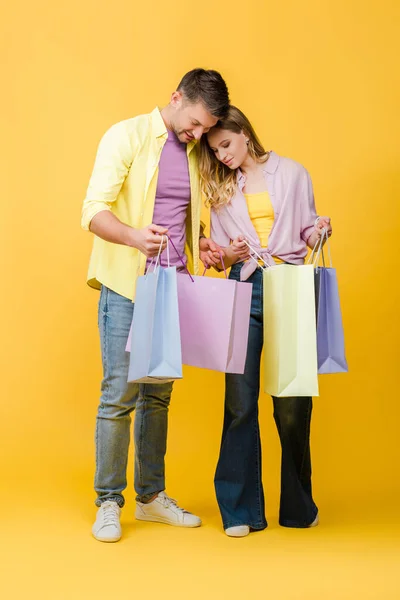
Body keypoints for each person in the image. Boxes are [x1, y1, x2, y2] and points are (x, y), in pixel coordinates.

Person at [81, 68, 229, 542]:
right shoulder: (125, 136)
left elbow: (179, 213)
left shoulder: (190, 152)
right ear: (176, 97)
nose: (198, 135)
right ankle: (109, 501)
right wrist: (133, 238)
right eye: (195, 124)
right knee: (119, 395)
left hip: (173, 287)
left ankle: (150, 498)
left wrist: (201, 243)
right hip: (127, 285)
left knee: (158, 396)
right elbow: (92, 210)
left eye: (206, 130)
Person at [198, 106, 332, 537]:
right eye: (214, 150)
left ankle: (298, 506)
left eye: (225, 144)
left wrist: (319, 230)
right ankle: (240, 511)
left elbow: (306, 231)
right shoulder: (220, 188)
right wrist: (226, 253)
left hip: (290, 284)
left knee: (292, 399)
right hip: (243, 286)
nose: (221, 156)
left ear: (244, 133)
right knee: (239, 400)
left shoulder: (292, 173)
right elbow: (220, 257)